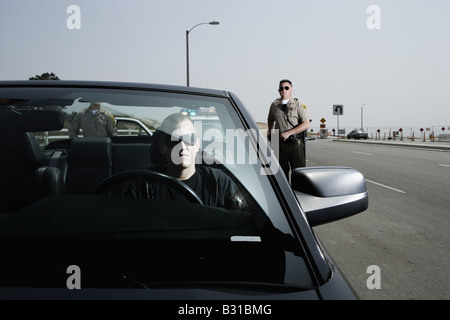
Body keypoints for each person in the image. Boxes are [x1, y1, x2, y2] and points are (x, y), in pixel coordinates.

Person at [124, 113, 247, 211]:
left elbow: (243, 222)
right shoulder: (143, 184)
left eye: (189, 139)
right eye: (174, 140)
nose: (182, 147)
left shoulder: (218, 183)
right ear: (162, 148)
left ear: (197, 144)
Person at [267, 79, 310, 180]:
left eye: (286, 88)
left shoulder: (298, 103)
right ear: (279, 90)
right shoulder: (274, 105)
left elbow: (306, 123)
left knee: (298, 173)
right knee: (280, 173)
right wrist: (270, 132)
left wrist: (289, 133)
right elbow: (270, 119)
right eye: (281, 88)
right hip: (279, 144)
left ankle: (298, 194)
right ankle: (284, 195)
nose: (284, 90)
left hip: (295, 143)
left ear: (291, 89)